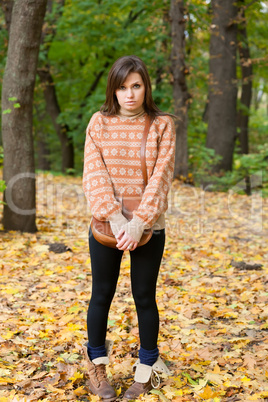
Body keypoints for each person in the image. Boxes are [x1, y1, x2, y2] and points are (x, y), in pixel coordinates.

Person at [82, 55, 176, 400]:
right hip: (107, 226)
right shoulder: (99, 122)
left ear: (145, 86)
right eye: (122, 87)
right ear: (114, 90)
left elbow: (162, 177)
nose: (130, 94)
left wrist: (138, 223)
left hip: (149, 226)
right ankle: (97, 366)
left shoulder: (162, 124)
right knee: (101, 295)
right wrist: (118, 218)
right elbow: (93, 174)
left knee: (144, 297)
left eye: (136, 86)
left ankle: (148, 370)